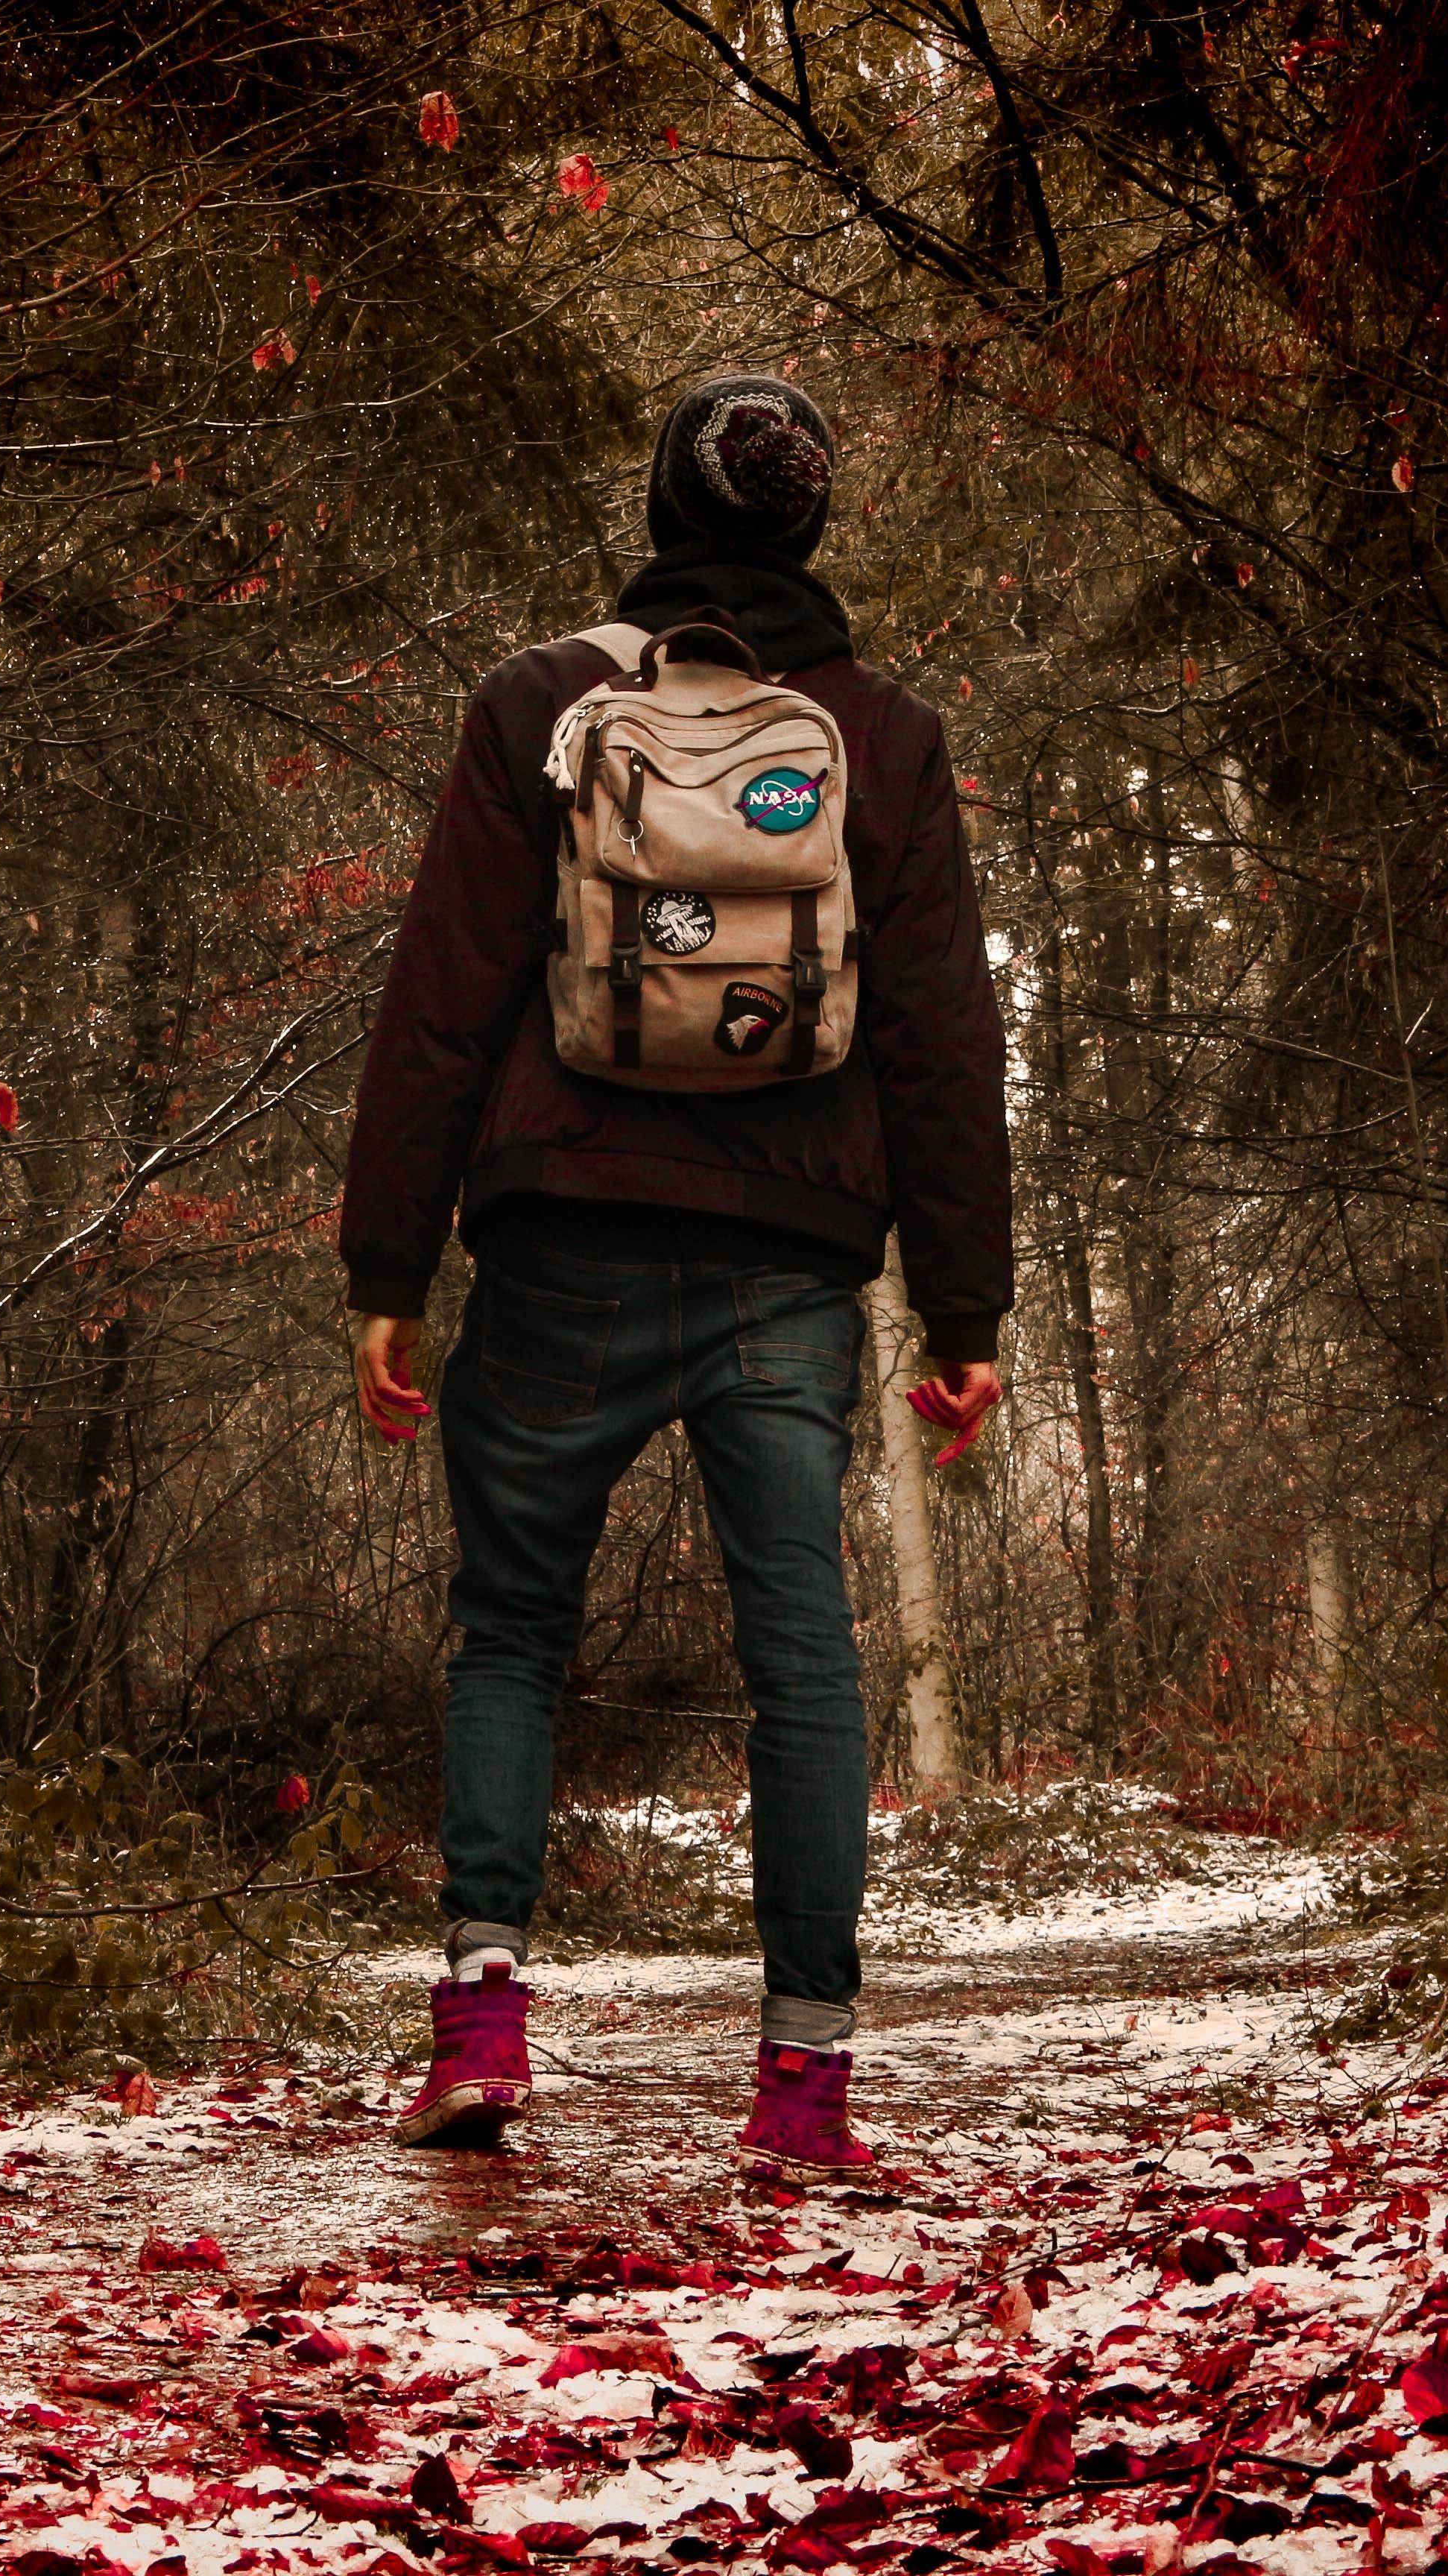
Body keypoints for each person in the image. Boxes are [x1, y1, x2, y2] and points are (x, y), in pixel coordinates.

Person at [337, 374, 1014, 2175]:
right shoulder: (880, 734)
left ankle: (483, 2020)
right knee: (802, 1656)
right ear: (810, 525)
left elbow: (446, 997)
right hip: (794, 1257)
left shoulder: (541, 707)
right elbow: (945, 1038)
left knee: (512, 1634)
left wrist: (386, 1265)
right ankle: (805, 2087)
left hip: (560, 1232)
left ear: (658, 503)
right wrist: (966, 1315)